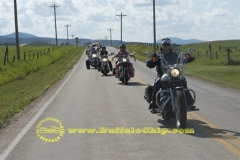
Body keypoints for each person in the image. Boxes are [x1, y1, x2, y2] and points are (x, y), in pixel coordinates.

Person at [146, 38, 196, 112]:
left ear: (170, 46)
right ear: (162, 46)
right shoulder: (159, 56)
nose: (166, 46)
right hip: (162, 75)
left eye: (168, 44)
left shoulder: (175, 55)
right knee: (157, 83)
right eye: (164, 44)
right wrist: (152, 60)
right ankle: (153, 104)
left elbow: (181, 60)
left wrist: (188, 58)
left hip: (173, 75)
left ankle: (189, 104)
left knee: (183, 81)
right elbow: (150, 64)